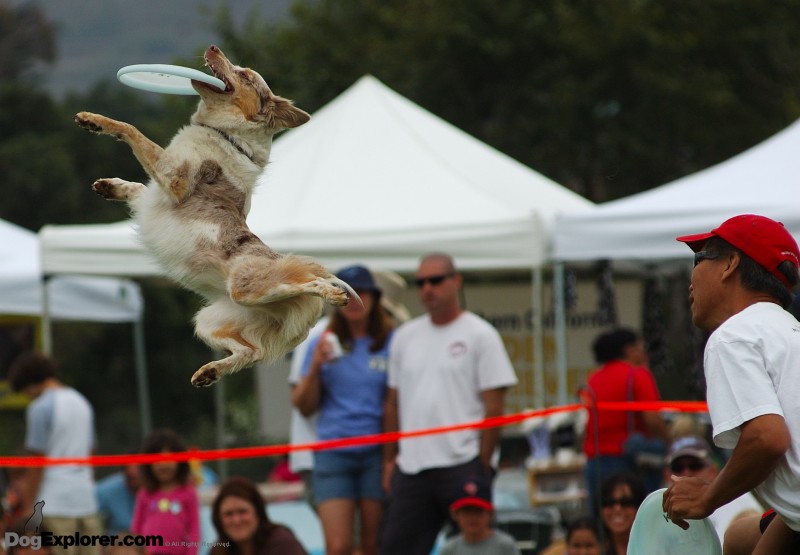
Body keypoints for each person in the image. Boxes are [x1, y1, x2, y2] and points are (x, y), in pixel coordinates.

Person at [663, 214, 800, 554]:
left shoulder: (733, 337)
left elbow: (767, 438)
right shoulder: (789, 333)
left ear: (730, 264)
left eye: (699, 259)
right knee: (739, 538)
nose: (691, 280)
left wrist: (707, 498)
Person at [380, 252, 518, 555]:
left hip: (464, 463)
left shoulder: (481, 334)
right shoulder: (405, 336)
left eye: (436, 280)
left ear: (456, 281)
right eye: (421, 282)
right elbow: (392, 402)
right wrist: (390, 460)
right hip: (413, 466)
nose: (427, 288)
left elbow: (495, 406)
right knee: (395, 548)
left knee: (477, 550)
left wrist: (482, 464)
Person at [292, 265, 394, 555]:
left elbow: (397, 402)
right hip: (333, 453)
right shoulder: (319, 343)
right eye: (344, 293)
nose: (352, 300)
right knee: (338, 547)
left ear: (374, 298)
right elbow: (302, 405)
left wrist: (390, 459)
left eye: (359, 292)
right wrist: (315, 367)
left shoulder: (391, 341)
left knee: (372, 545)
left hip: (376, 453)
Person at [7, 352, 102, 555]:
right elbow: (92, 451)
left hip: (54, 502)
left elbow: (36, 461)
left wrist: (28, 508)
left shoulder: (39, 408)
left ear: (30, 384)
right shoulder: (82, 402)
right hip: (86, 500)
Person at [582, 328, 668, 513]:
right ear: (629, 350)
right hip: (629, 462)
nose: (643, 352)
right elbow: (653, 420)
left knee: (603, 519)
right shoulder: (637, 375)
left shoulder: (594, 379)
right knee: (640, 517)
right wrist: (669, 442)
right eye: (640, 346)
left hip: (595, 461)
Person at [662, 435, 762, 543]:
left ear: (713, 471)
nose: (686, 473)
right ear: (666, 475)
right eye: (677, 467)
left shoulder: (739, 499)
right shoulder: (652, 510)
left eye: (695, 466)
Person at [130, 429, 200, 555]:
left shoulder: (188, 492)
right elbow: (136, 528)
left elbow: (194, 529)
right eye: (156, 460)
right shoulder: (145, 493)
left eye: (168, 459)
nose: (162, 465)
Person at [209, 476, 307, 555]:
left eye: (242, 512)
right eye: (228, 514)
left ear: (258, 512)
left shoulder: (283, 544)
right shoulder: (219, 550)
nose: (236, 520)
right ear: (218, 518)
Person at [438, 479, 520, 555]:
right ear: (455, 514)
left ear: (490, 513)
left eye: (478, 511)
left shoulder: (505, 546)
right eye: (466, 511)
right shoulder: (449, 550)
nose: (472, 518)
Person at [598, 472, 645, 555]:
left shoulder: (656, 547)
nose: (617, 508)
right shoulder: (593, 549)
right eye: (609, 502)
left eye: (626, 502)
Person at [95, 464, 141, 536]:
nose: (133, 472)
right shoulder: (107, 490)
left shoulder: (160, 490)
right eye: (130, 477)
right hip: (116, 541)